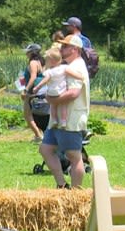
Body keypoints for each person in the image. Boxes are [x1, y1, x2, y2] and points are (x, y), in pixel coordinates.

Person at [38, 35, 90, 189]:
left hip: (70, 120)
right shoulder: (69, 65)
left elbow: (74, 93)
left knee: (74, 156)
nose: (61, 49)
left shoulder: (76, 67)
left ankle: (75, 193)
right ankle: (62, 185)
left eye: (65, 47)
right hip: (58, 119)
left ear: (75, 49)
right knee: (46, 149)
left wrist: (52, 100)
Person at [32, 47, 85, 129]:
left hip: (51, 92)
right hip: (61, 91)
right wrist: (80, 77)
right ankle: (63, 121)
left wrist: (37, 87)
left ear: (51, 61)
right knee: (63, 104)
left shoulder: (49, 71)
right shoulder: (64, 68)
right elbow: (72, 73)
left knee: (53, 105)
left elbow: (45, 81)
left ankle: (54, 120)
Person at [20, 43, 45, 143]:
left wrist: (26, 89)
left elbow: (33, 77)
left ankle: (38, 135)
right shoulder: (41, 62)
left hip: (33, 90)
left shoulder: (33, 63)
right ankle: (39, 134)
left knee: (27, 114)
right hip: (41, 89)